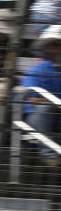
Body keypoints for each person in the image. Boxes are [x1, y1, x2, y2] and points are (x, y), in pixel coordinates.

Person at [20, 26, 61, 160]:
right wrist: (56, 103)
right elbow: (32, 99)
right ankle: (49, 155)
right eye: (55, 44)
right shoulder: (36, 70)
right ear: (47, 47)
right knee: (45, 108)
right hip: (37, 116)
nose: (58, 48)